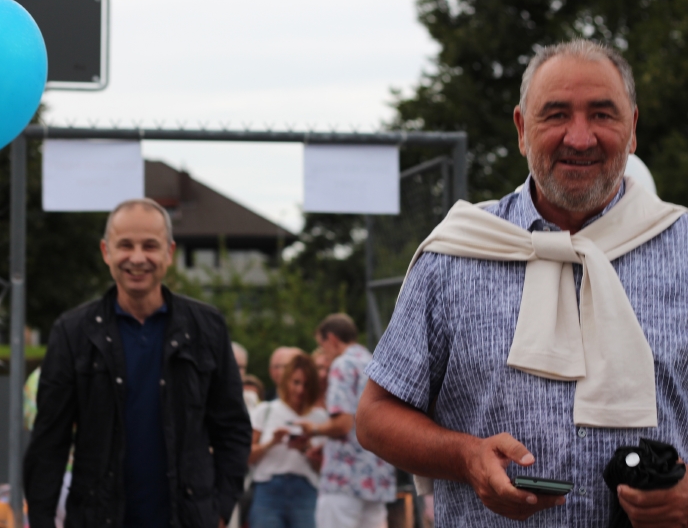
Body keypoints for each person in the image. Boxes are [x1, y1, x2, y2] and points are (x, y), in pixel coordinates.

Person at [356, 39, 688, 527]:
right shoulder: (455, 255)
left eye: (602, 114)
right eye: (556, 115)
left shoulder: (682, 248)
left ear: (633, 128)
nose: (580, 138)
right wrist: (465, 456)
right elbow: (374, 417)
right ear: (521, 130)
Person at [24, 198, 251, 528]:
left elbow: (233, 428)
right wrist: (42, 521)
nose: (138, 257)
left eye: (150, 246)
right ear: (106, 251)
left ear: (169, 252)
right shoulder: (73, 332)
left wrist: (220, 510)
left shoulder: (207, 327)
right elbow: (49, 442)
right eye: (125, 245)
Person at [300, 314, 395, 528]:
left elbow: (343, 424)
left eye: (322, 346)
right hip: (377, 475)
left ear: (332, 339)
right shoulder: (375, 362)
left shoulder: (342, 364)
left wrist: (313, 429)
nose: (324, 353)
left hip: (344, 478)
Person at [248, 353, 328, 528]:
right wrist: (272, 442)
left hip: (305, 492)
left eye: (306, 384)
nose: (300, 390)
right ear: (286, 381)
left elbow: (324, 469)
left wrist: (307, 449)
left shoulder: (320, 418)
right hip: (268, 491)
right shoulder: (266, 410)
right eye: (296, 382)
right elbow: (246, 457)